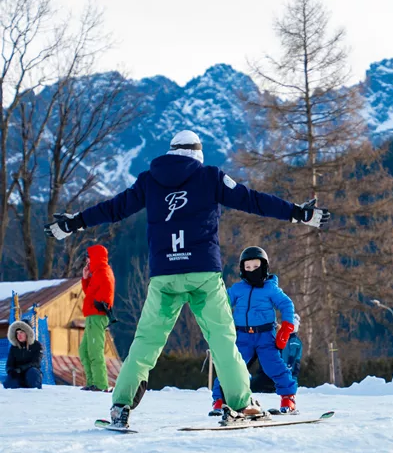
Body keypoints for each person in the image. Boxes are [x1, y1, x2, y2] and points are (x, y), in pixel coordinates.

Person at [44, 130, 329, 428]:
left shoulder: (148, 181)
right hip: (203, 274)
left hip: (164, 275)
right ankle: (241, 404)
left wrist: (73, 223)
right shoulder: (210, 177)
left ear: (171, 152)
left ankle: (121, 404)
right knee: (223, 341)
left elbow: (113, 208)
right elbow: (252, 200)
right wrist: (298, 214)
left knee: (145, 343)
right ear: (197, 154)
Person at [210, 247, 299, 415]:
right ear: (243, 269)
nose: (251, 271)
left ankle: (288, 397)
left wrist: (286, 328)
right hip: (242, 336)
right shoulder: (238, 289)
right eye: (247, 267)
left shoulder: (270, 289)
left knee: (274, 366)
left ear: (264, 267)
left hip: (266, 336)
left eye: (256, 266)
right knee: (231, 367)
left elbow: (286, 304)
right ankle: (220, 400)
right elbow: (223, 304)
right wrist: (216, 322)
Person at [80, 245, 115, 392]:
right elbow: (89, 292)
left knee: (95, 351)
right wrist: (85, 278)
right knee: (84, 351)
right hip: (91, 316)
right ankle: (92, 382)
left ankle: (100, 385)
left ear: (94, 257)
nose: (87, 260)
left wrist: (100, 303)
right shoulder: (97, 273)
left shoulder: (103, 272)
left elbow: (107, 289)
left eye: (88, 257)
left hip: (97, 316)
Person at [249, 313, 303, 394]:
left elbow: (291, 359)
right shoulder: (278, 339)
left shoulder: (293, 341)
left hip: (278, 375)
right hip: (272, 375)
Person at [4, 319, 43, 389]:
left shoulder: (37, 345)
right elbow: (9, 364)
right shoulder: (14, 347)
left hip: (31, 375)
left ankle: (35, 394)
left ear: (28, 333)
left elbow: (36, 363)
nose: (19, 335)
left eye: (21, 332)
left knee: (33, 372)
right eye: (17, 333)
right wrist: (11, 371)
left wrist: (20, 369)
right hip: (18, 375)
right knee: (9, 383)